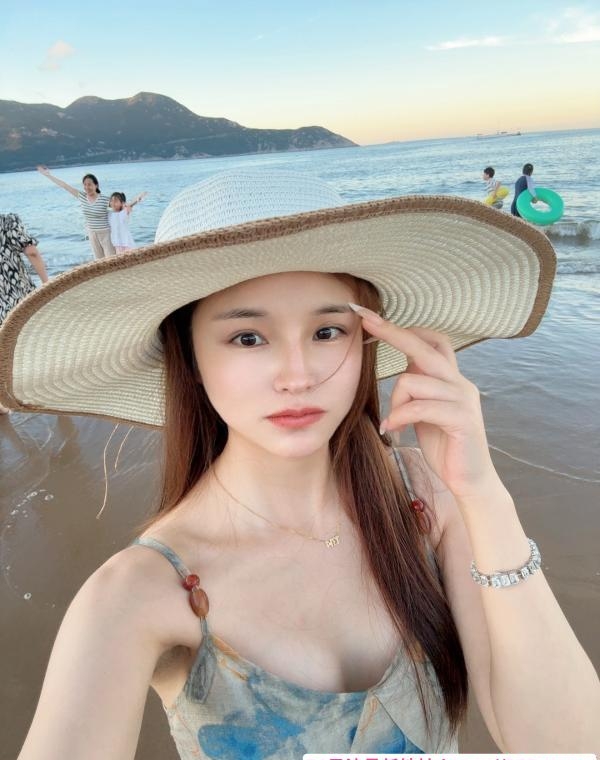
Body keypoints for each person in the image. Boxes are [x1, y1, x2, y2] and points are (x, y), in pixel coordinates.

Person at [1, 170, 598, 759]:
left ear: (365, 341)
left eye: (328, 331)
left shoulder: (425, 500)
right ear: (191, 359)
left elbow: (567, 746)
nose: (298, 376)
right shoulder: (140, 594)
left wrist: (482, 494)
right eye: (248, 337)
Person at [0, 212, 49, 414]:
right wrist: (47, 283)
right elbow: (31, 252)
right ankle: (46, 392)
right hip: (15, 297)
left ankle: (2, 402)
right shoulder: (7, 221)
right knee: (36, 343)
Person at [36, 166, 116, 259]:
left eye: (89, 184)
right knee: (98, 261)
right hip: (92, 234)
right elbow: (65, 186)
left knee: (111, 259)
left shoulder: (105, 199)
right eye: (85, 185)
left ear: (96, 185)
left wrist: (131, 204)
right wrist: (48, 175)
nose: (87, 187)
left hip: (105, 233)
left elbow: (120, 207)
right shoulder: (82, 196)